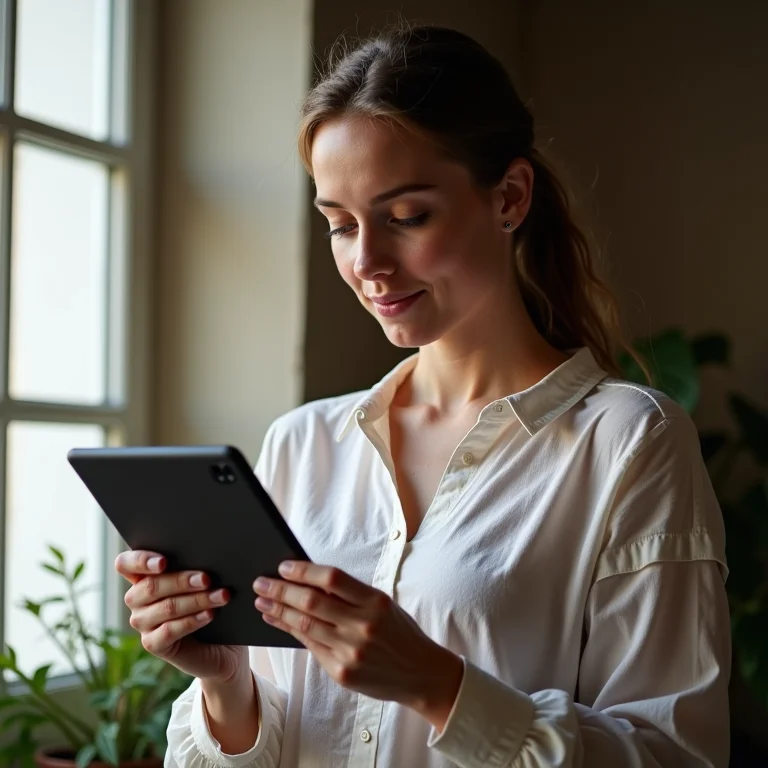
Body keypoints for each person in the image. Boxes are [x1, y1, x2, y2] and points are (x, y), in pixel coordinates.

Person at [116, 25, 730, 768]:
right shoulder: (304, 444)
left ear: (509, 197)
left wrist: (440, 687)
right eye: (340, 225)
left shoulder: (629, 442)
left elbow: (676, 755)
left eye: (407, 217)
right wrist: (227, 686)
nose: (367, 261)